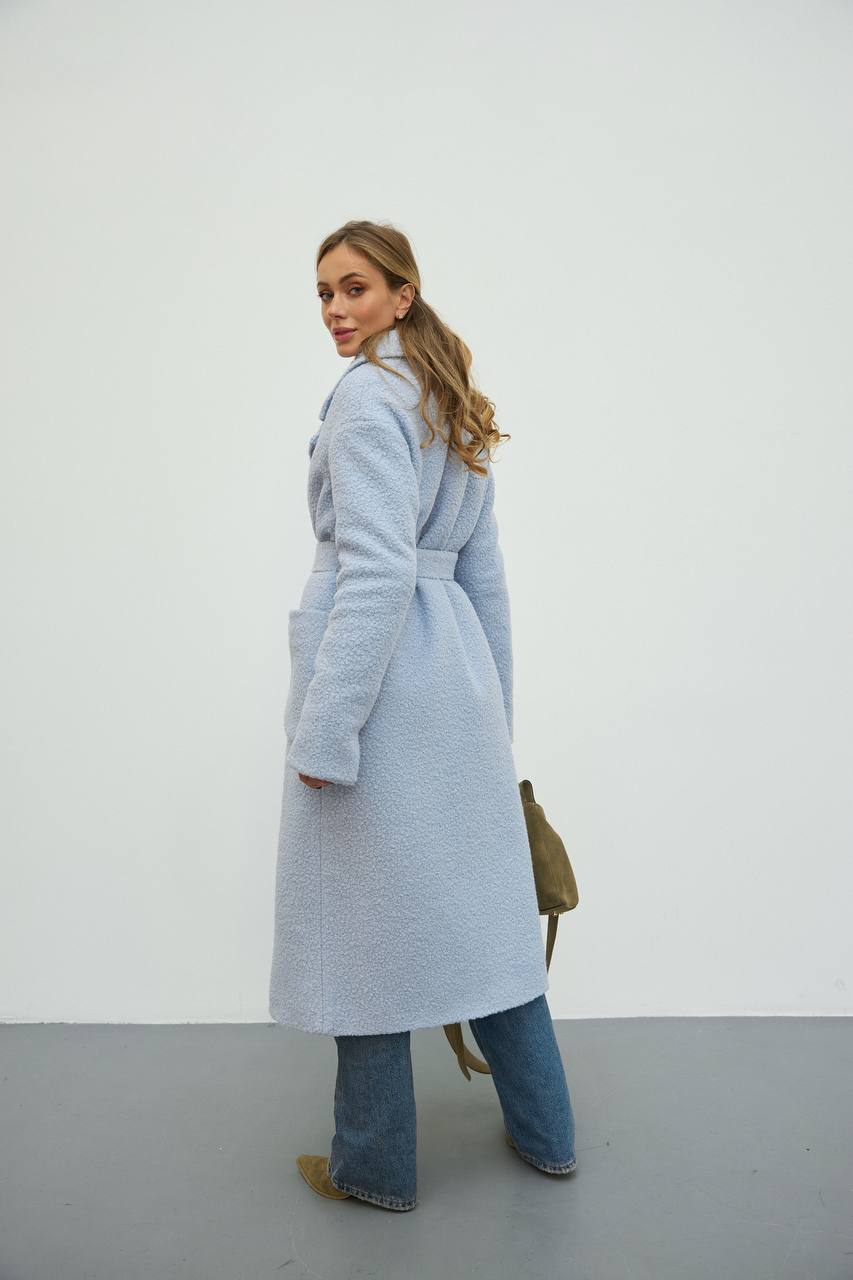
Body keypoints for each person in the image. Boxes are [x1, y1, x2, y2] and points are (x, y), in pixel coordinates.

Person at [269, 220, 576, 1210]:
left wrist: (326, 728)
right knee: (486, 925)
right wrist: (496, 719)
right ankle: (548, 1136)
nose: (334, 310)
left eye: (354, 288)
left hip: (384, 685)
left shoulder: (365, 401)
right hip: (455, 685)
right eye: (322, 293)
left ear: (404, 293)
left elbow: (376, 570)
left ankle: (373, 1166)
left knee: (366, 936)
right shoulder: (449, 400)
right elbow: (485, 577)